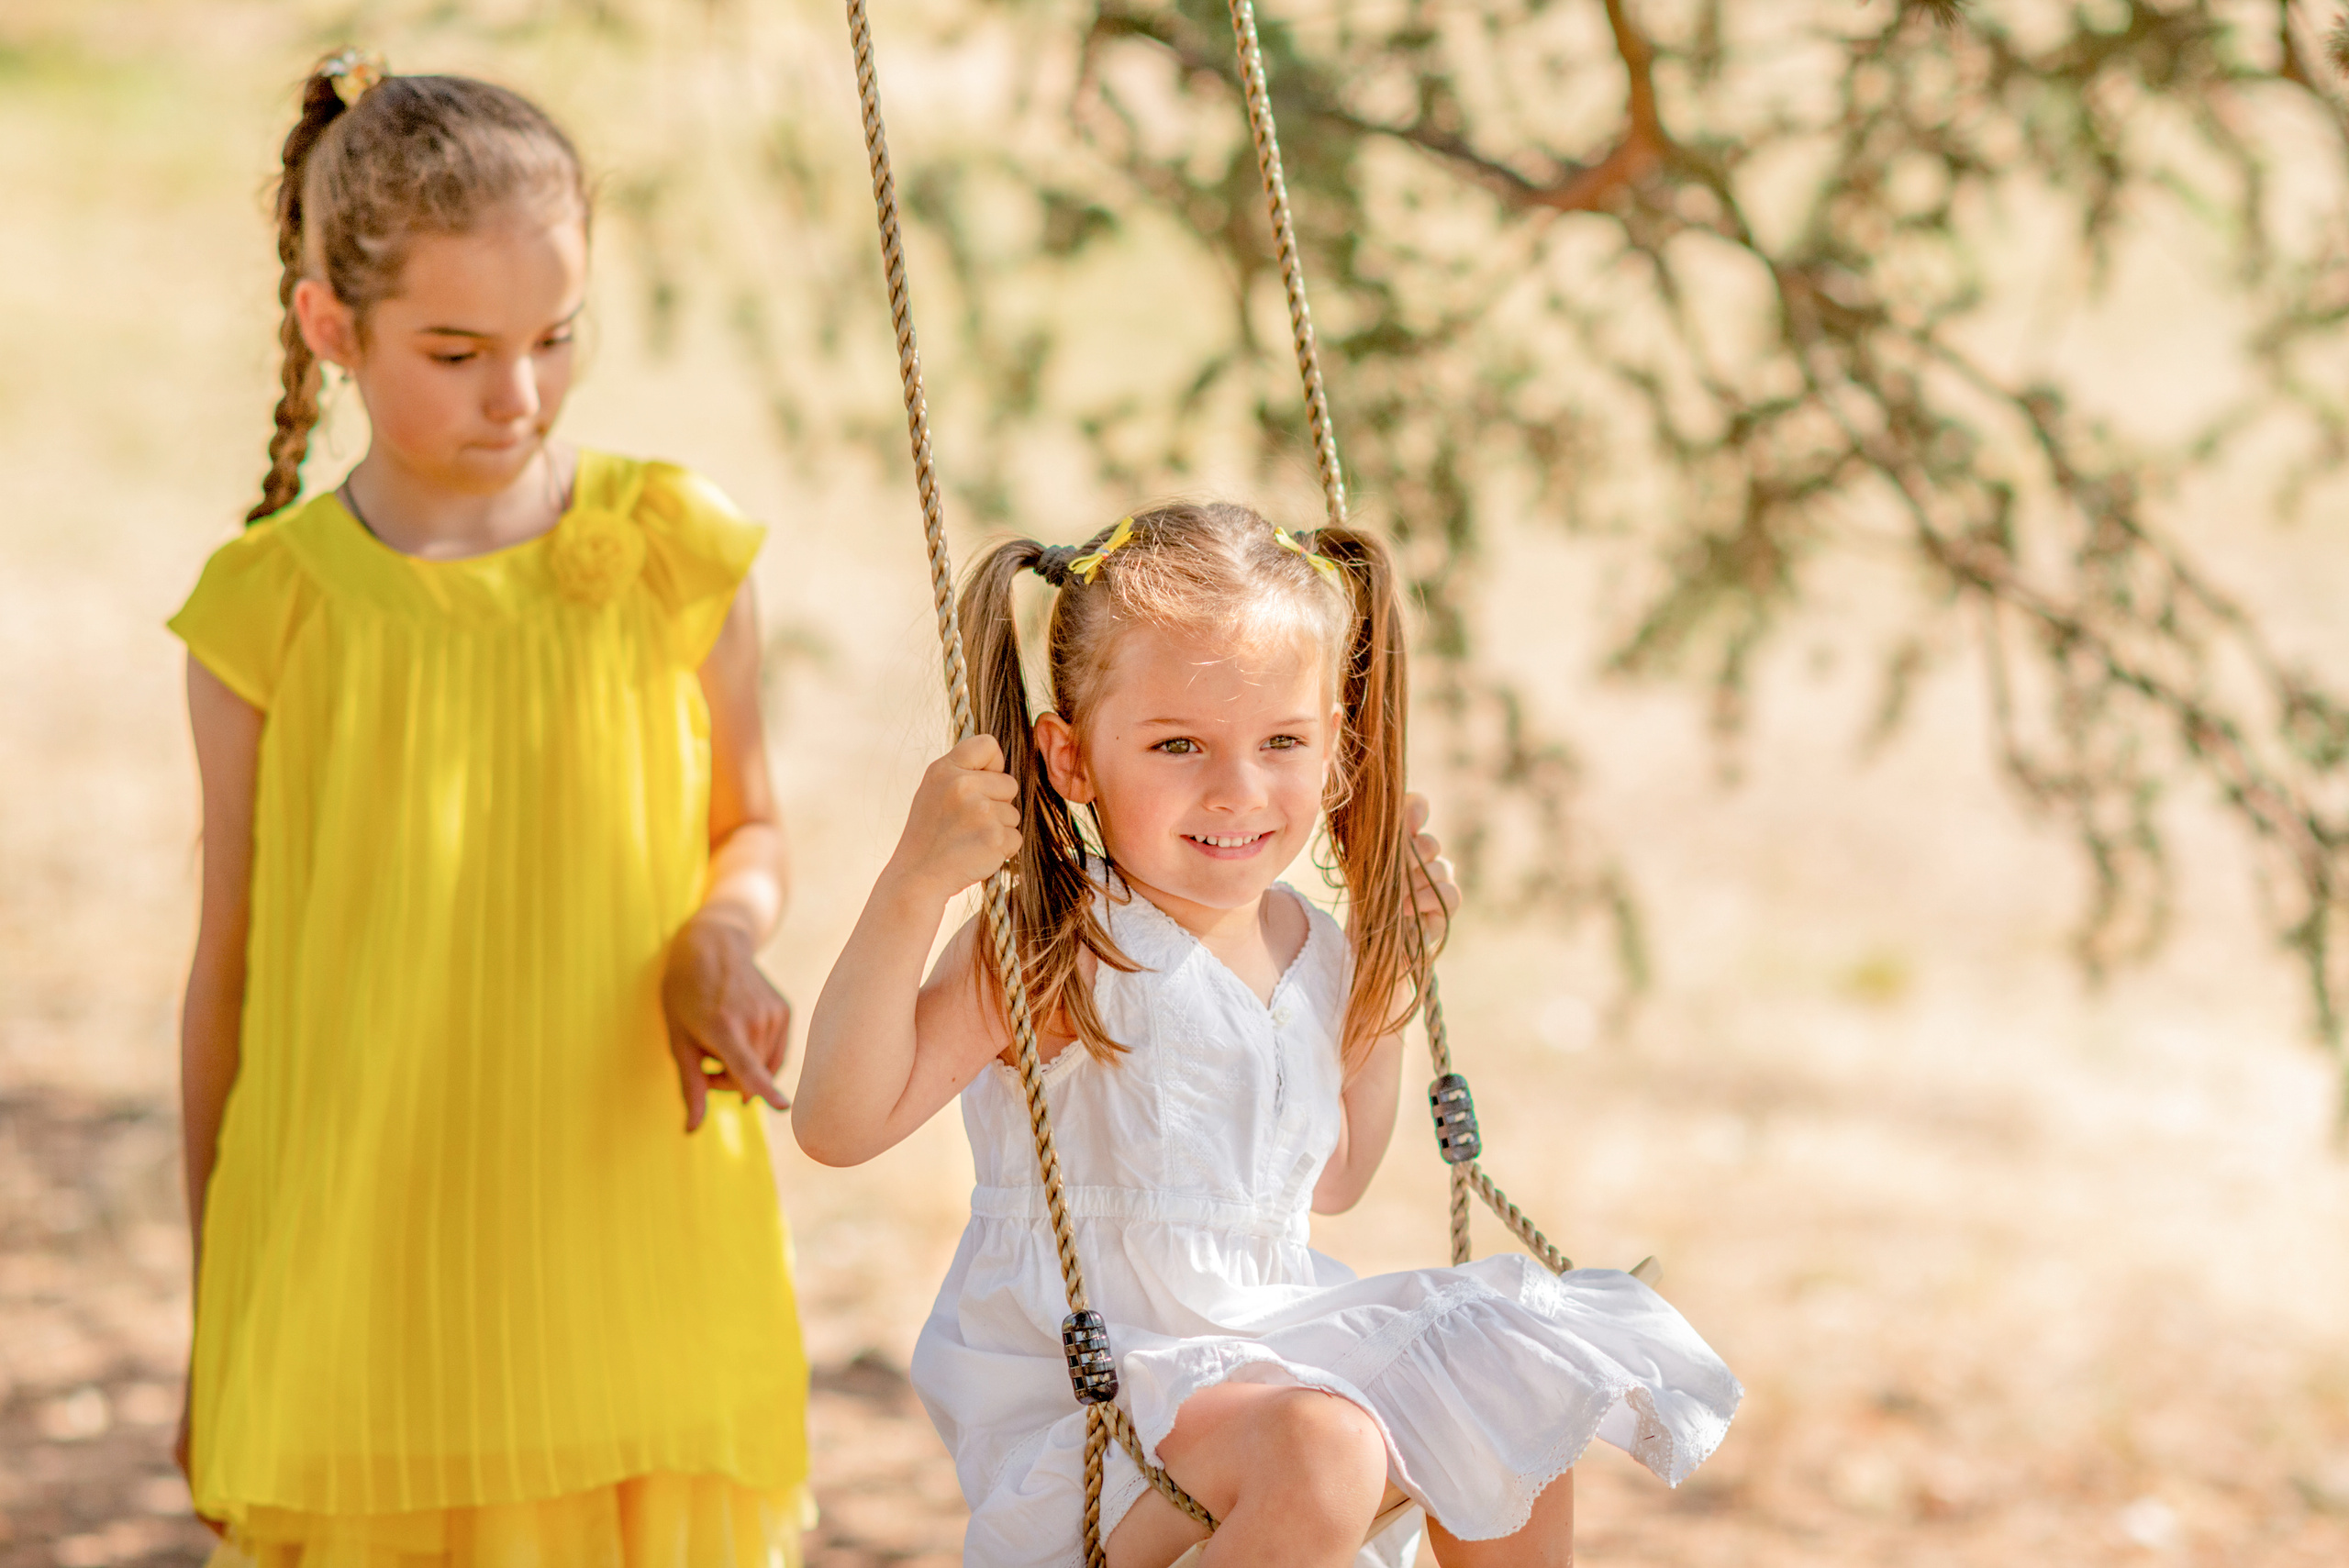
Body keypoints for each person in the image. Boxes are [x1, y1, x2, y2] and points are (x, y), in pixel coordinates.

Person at [794, 503, 1742, 1567]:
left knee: (1520, 1367)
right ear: (1070, 757)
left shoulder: (1312, 946)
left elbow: (1331, 1174)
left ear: (1336, 747)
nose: (1236, 789)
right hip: (1102, 1420)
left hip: (1266, 1361)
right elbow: (838, 1120)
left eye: (1282, 741)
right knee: (1325, 1442)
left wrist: (1387, 977)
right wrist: (915, 882)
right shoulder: (1065, 944)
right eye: (1177, 744)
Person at [171, 50, 809, 1567]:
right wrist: (222, 1320)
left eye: (553, 338)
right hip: (363, 1296)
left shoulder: (672, 546)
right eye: (455, 350)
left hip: (623, 1256)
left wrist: (721, 932)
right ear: (333, 326)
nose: (516, 393)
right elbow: (228, 978)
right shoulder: (271, 612)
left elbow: (756, 823)